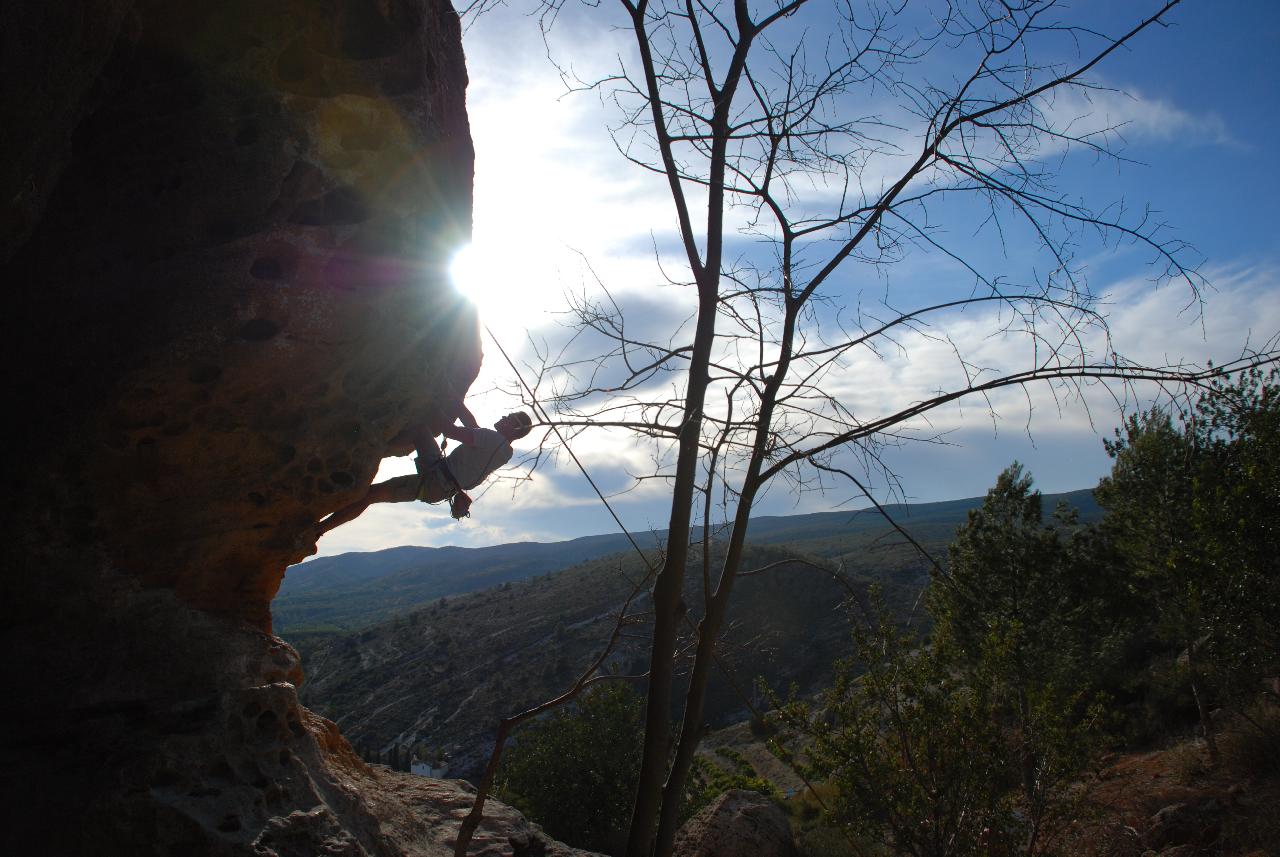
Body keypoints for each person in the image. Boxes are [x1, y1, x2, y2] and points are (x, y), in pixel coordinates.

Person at [315, 411, 533, 536]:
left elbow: (452, 431)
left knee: (371, 495)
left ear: (515, 429)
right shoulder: (505, 451)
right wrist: (455, 401)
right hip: (441, 479)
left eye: (510, 418)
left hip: (435, 480)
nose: (504, 416)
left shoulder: (491, 438)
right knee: (420, 430)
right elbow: (473, 427)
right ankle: (379, 444)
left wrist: (434, 407)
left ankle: (319, 530)